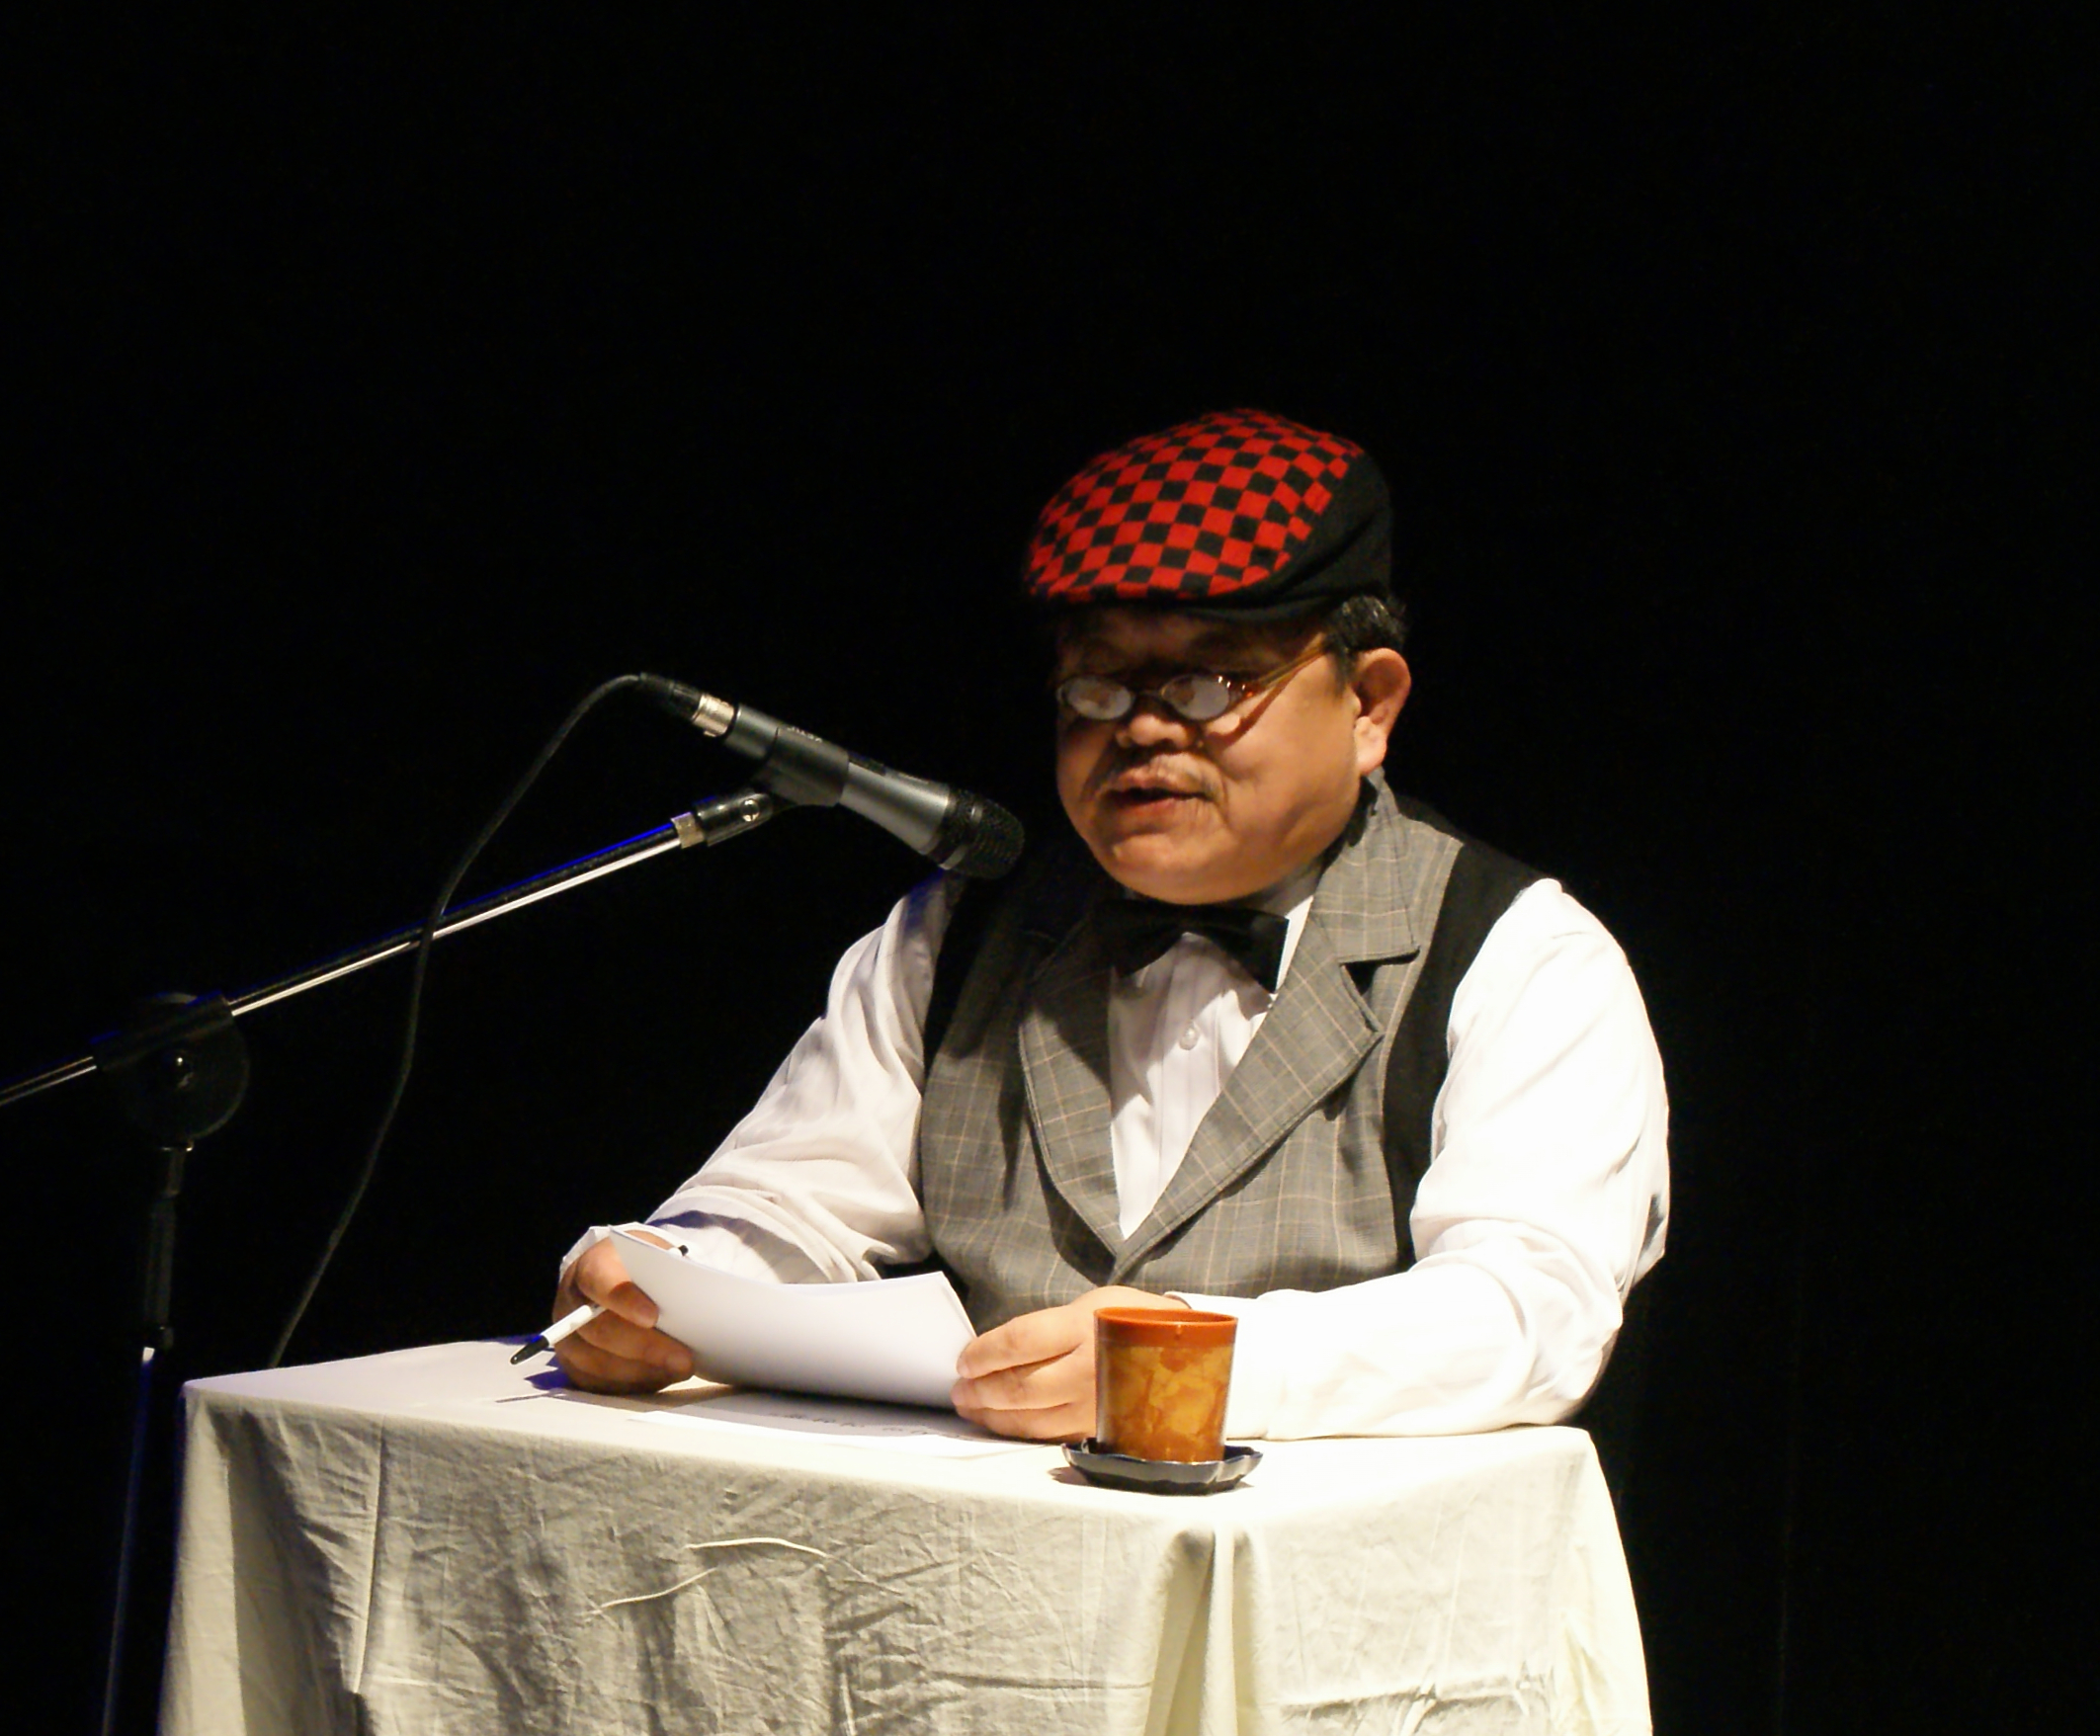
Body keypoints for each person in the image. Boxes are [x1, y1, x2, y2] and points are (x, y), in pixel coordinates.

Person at [551, 408, 1668, 1444]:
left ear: (1368, 703)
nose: (1139, 730)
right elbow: (791, 1195)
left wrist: (1192, 1360)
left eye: (1207, 682)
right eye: (1096, 685)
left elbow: (1530, 1308)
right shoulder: (962, 933)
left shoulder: (1517, 956)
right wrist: (666, 1277)